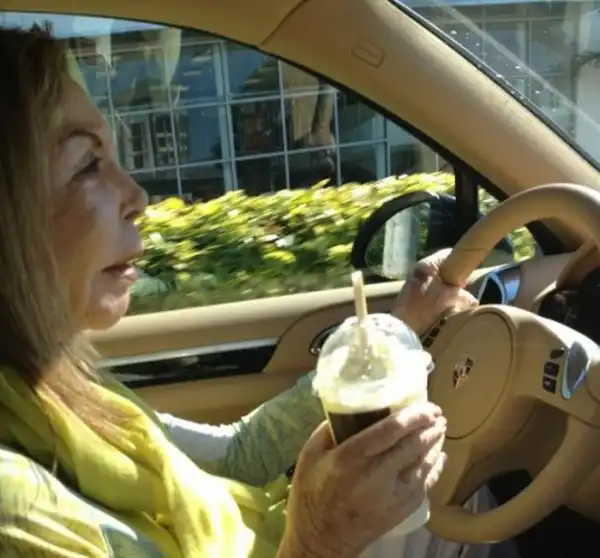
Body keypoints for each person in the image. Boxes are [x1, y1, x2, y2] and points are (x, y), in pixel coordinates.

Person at [0, 24, 511, 558]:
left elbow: (239, 457)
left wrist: (393, 334)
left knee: (463, 507)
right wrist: (317, 541)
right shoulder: (16, 516)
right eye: (87, 165)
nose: (137, 196)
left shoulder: (56, 393)